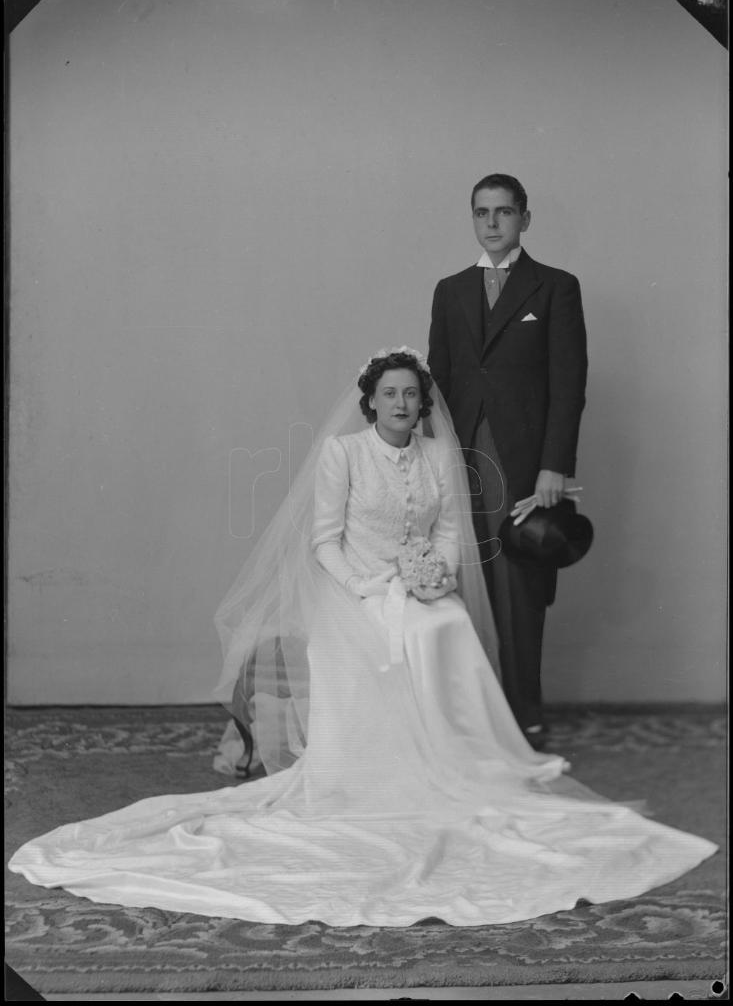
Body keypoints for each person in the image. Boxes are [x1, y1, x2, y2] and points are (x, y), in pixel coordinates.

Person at [7, 349, 715, 927]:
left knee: (446, 627)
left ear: (422, 402)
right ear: (370, 401)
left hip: (419, 586)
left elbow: (443, 529)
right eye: (391, 394)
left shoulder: (440, 454)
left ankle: (460, 761)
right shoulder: (342, 454)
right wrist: (369, 588)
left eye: (412, 394)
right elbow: (322, 543)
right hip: (349, 588)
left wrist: (433, 574)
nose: (403, 404)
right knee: (379, 637)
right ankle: (368, 774)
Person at [428, 173, 588, 749]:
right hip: (460, 454)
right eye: (481, 213)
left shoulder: (554, 288)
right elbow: (439, 379)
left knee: (519, 585)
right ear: (472, 219)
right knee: (455, 581)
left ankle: (523, 719)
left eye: (503, 212)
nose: (492, 223)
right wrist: (429, 457)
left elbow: (569, 385)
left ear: (525, 218)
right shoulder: (450, 290)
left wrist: (555, 466)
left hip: (522, 463)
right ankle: (468, 717)